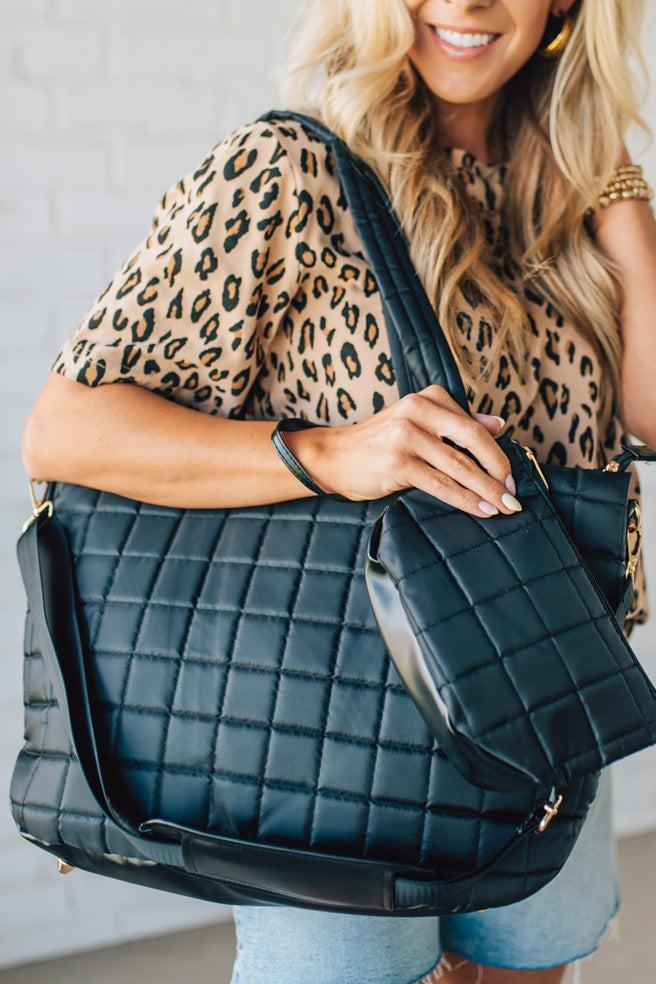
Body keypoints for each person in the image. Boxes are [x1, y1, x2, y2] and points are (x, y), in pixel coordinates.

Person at [20, 0, 656, 981]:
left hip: (537, 699)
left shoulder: (569, 196)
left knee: (528, 963)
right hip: (337, 723)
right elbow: (64, 431)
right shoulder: (285, 173)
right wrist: (328, 454)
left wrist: (614, 190)